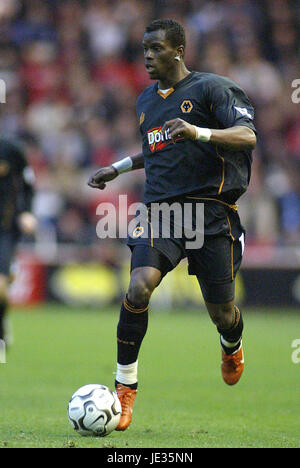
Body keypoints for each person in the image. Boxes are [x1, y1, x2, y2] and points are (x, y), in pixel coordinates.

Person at [88, 19, 257, 431]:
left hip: (211, 213)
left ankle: (230, 344)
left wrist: (198, 131)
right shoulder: (146, 100)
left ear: (178, 50)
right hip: (161, 211)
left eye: (156, 49)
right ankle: (124, 389)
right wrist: (118, 167)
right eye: (145, 49)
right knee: (139, 285)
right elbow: (155, 148)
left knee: (222, 312)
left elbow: (247, 135)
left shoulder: (212, 88)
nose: (148, 55)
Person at [0, 136, 36, 347]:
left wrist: (26, 213)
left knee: (1, 286)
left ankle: (2, 329)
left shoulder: (11, 149)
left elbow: (29, 185)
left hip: (4, 228)